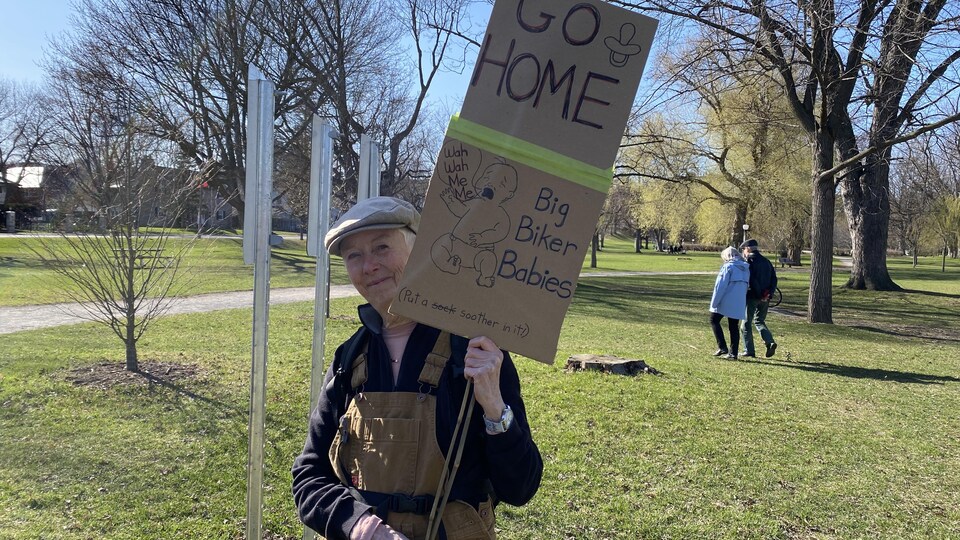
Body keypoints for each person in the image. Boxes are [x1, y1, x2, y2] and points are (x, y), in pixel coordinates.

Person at [292, 196, 543, 540]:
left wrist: (494, 408)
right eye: (354, 256)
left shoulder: (473, 349)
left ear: (420, 250)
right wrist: (362, 527)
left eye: (381, 247)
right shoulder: (348, 360)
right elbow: (309, 474)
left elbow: (520, 487)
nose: (368, 266)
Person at [709, 246, 750, 359]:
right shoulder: (746, 268)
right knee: (733, 326)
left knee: (714, 320)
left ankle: (722, 346)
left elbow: (720, 286)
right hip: (739, 300)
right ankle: (733, 352)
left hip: (726, 298)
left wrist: (714, 302)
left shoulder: (728, 267)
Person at [739, 238, 778, 358]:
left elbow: (752, 280)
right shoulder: (766, 261)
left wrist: (759, 294)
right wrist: (769, 294)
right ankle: (769, 341)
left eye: (744, 249)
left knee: (745, 324)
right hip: (765, 298)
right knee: (759, 321)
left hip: (753, 297)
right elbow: (774, 279)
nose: (743, 252)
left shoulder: (749, 262)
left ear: (748, 249)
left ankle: (749, 350)